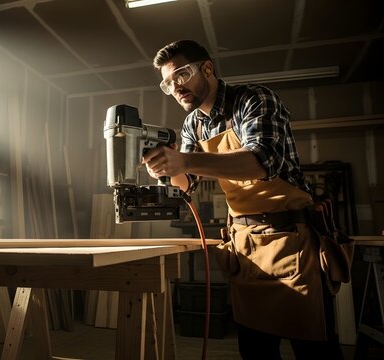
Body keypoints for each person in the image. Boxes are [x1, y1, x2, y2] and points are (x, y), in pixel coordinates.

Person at [143, 40, 344, 359]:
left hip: (291, 242)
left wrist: (184, 161)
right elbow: (188, 182)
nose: (176, 87)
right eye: (168, 82)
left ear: (206, 68)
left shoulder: (253, 99)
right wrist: (164, 169)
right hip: (245, 246)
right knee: (256, 350)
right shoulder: (193, 123)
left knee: (314, 350)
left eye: (181, 75)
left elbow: (260, 162)